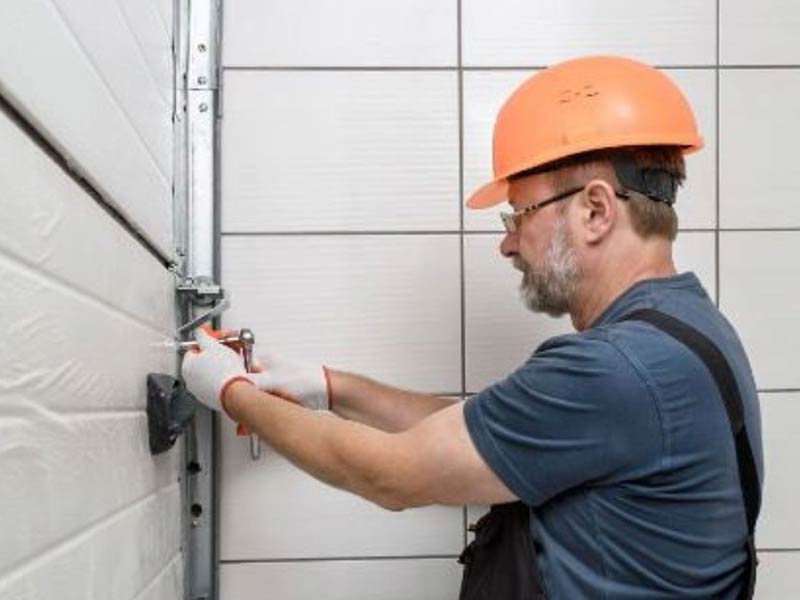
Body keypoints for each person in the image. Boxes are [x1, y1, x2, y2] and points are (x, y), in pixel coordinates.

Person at [182, 55, 764, 598]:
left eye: (520, 215)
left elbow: (390, 477)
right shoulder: (685, 327)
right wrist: (331, 387)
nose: (509, 244)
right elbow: (493, 431)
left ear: (595, 210)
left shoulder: (614, 369)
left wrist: (231, 393)